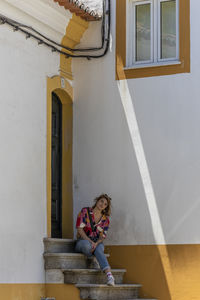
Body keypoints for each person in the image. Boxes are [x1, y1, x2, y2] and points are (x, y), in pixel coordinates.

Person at [75, 193, 115, 286]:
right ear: (97, 200)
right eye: (101, 201)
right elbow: (79, 229)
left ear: (106, 207)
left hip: (96, 242)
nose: (102, 204)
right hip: (83, 240)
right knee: (87, 246)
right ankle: (95, 255)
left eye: (105, 204)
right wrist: (90, 241)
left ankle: (110, 276)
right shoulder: (85, 211)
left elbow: (103, 236)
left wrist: (96, 243)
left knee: (99, 249)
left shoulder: (105, 220)